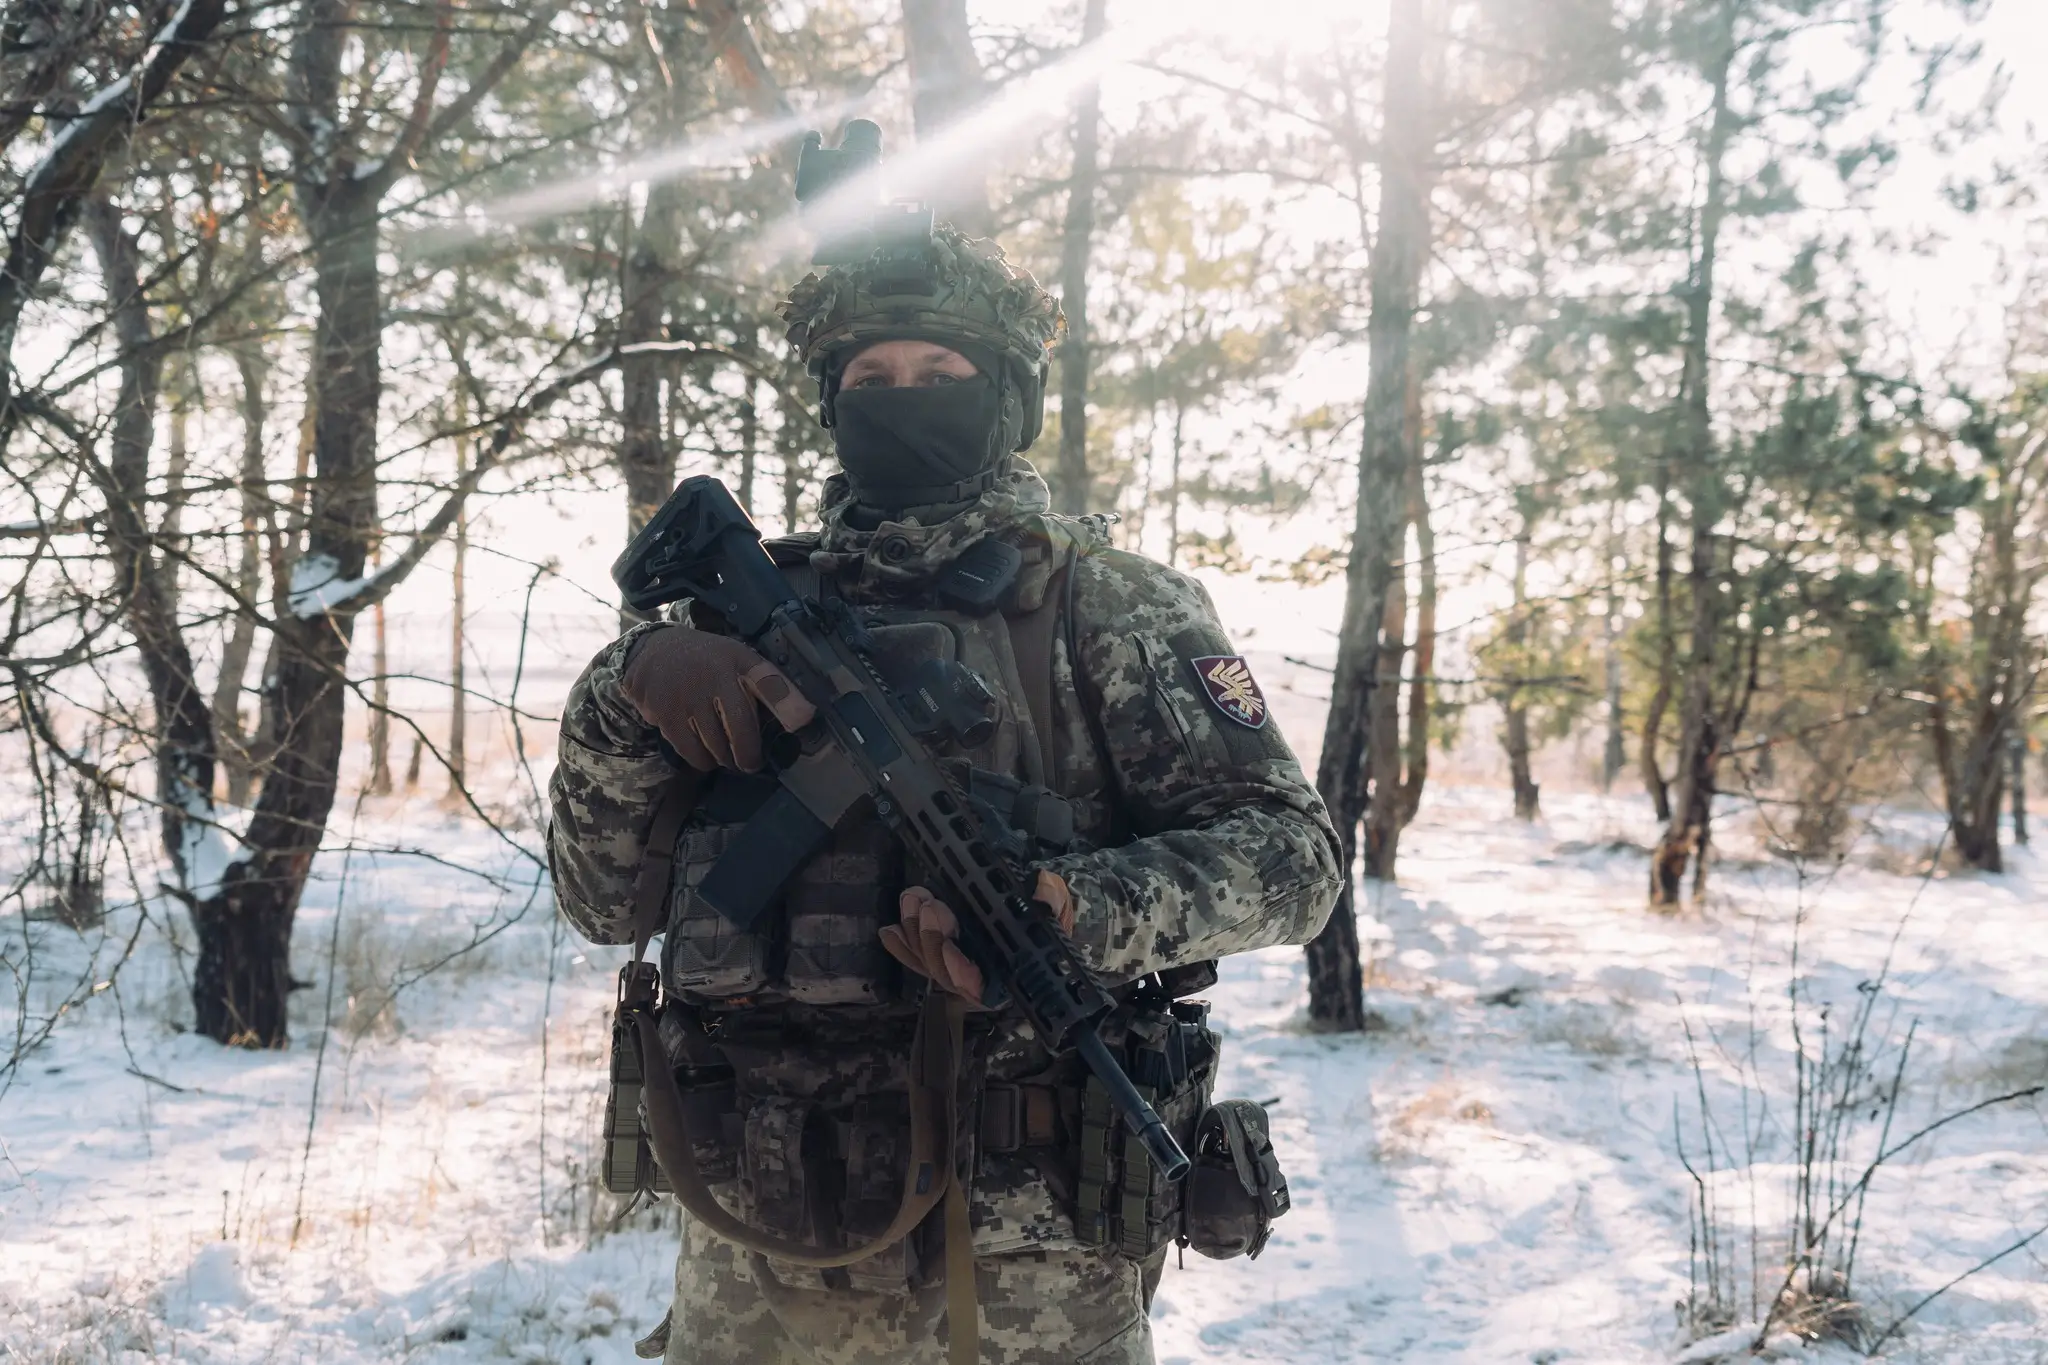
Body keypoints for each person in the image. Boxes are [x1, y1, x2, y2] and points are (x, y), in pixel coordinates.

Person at [549, 222, 1342, 1365]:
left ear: (1005, 395)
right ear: (831, 401)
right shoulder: (730, 618)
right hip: (760, 1239)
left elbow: (1291, 860)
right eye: (869, 377)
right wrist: (626, 686)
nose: (901, 397)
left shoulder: (1111, 609)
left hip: (1027, 1259)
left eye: (939, 372)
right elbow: (600, 904)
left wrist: (1074, 905)